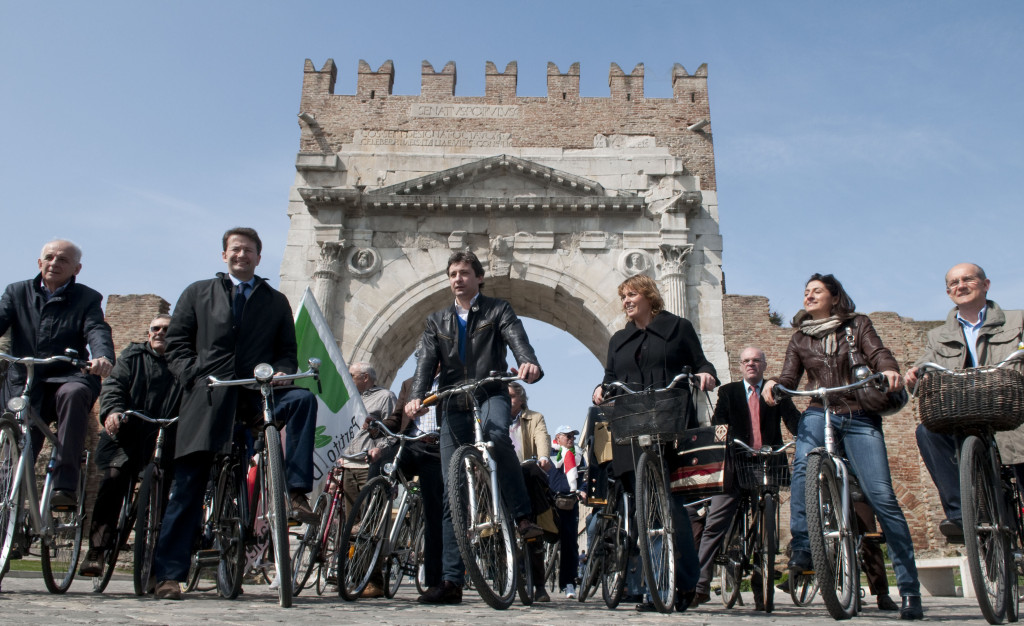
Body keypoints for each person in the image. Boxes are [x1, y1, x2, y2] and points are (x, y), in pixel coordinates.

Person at [152, 227, 319, 601]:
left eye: (249, 251)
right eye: (235, 249)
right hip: (208, 397)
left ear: (260, 258)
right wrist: (194, 377)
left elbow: (286, 352)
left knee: (304, 400)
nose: (241, 255)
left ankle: (295, 490)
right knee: (188, 487)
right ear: (223, 255)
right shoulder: (197, 293)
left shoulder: (275, 301)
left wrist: (280, 371)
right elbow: (177, 344)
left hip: (253, 396)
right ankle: (169, 574)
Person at [762, 273, 922, 620]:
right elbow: (790, 378)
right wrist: (774, 383)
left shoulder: (857, 325)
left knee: (881, 496)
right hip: (820, 411)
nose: (809, 295)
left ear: (835, 297)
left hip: (858, 413)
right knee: (803, 464)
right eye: (806, 291)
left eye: (816, 291)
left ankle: (909, 589)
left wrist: (890, 369)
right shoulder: (800, 338)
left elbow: (879, 354)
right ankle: (803, 546)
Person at [404, 250, 544, 605]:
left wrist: (527, 362)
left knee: (498, 435)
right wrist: (417, 397)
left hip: (490, 391)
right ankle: (451, 580)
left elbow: (518, 341)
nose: (458, 279)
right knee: (453, 493)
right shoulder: (437, 321)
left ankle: (523, 515)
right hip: (453, 402)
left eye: (465, 272)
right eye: (452, 273)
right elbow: (425, 363)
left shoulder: (499, 310)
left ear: (479, 277)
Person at [591, 273, 718, 612]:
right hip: (631, 426)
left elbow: (702, 362)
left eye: (632, 294)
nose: (626, 301)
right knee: (643, 510)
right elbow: (609, 378)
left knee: (673, 510)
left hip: (670, 422)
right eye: (623, 297)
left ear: (649, 295)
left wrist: (706, 374)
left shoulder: (678, 328)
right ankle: (654, 587)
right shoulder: (618, 339)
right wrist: (600, 390)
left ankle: (683, 584)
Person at [905, 263, 1024, 541]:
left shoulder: (1017, 321)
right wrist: (914, 375)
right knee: (927, 431)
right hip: (965, 412)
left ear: (985, 284)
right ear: (948, 293)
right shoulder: (937, 336)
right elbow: (925, 365)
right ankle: (961, 515)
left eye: (968, 279)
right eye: (954, 283)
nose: (961, 286)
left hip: (1009, 409)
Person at [0, 239, 114, 511]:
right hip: (25, 377)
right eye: (49, 258)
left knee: (74, 395)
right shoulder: (16, 292)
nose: (54, 263)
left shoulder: (87, 298)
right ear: (39, 263)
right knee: (17, 437)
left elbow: (97, 330)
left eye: (62, 260)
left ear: (77, 268)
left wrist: (103, 357)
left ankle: (64, 485)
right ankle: (8, 507)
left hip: (68, 375)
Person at [690, 346, 799, 610]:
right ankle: (700, 584)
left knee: (767, 527)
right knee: (716, 521)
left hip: (768, 464)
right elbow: (719, 424)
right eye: (746, 361)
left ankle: (763, 589)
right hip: (736, 463)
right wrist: (722, 441)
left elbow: (794, 422)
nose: (751, 364)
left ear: (764, 364)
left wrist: (806, 434)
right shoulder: (728, 392)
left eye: (756, 361)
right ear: (741, 366)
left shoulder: (775, 391)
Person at [79, 314, 182, 578]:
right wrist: (113, 411)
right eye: (155, 328)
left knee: (166, 488)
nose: (159, 333)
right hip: (129, 432)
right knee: (113, 480)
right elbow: (114, 385)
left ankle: (157, 557)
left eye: (166, 329)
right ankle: (97, 551)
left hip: (168, 435)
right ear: (148, 333)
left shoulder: (184, 362)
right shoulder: (133, 357)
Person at [372, 358, 444, 602]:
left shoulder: (452, 382)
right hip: (410, 445)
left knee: (435, 512)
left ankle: (435, 582)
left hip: (437, 449)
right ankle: (373, 510)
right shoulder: (409, 384)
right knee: (380, 464)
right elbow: (396, 419)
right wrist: (379, 425)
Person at [508, 381, 555, 602]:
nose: (507, 402)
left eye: (511, 397)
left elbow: (541, 437)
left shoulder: (534, 417)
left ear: (521, 399)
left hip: (525, 476)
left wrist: (544, 456)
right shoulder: (494, 416)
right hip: (501, 478)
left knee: (532, 529)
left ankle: (539, 586)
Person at [342, 362, 397, 512]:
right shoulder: (349, 398)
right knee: (350, 522)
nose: (348, 378)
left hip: (369, 466)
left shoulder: (385, 397)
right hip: (347, 466)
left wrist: (380, 449)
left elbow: (394, 432)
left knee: (368, 519)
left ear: (365, 377)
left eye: (351, 375)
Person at [548, 424, 584, 600]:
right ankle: (536, 580)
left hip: (570, 502)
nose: (571, 439)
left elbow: (584, 476)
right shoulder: (550, 453)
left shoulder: (578, 456)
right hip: (551, 500)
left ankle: (568, 582)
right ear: (558, 437)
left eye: (573, 436)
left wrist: (583, 489)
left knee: (570, 542)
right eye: (567, 436)